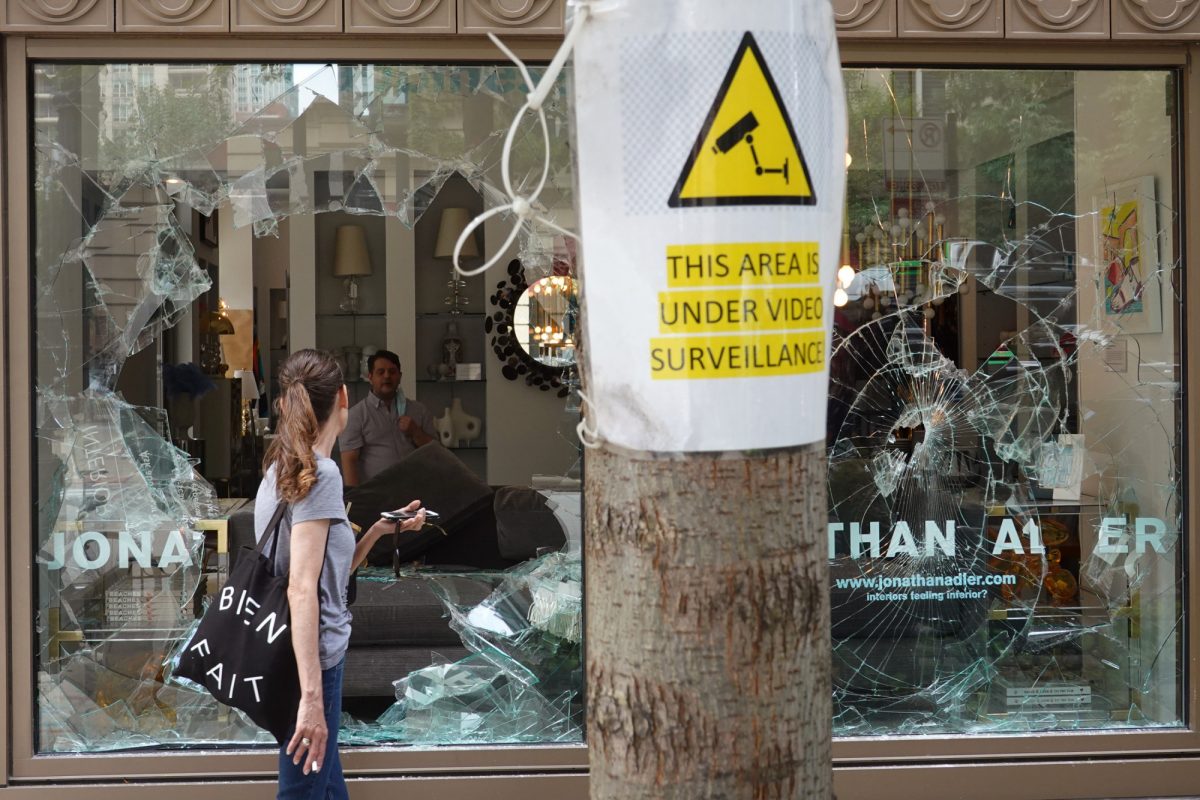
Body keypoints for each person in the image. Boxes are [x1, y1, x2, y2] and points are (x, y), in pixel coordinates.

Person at [255, 349, 425, 798]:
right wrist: (311, 698)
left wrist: (378, 532)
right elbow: (301, 587)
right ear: (344, 397)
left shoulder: (282, 468)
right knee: (303, 791)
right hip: (315, 656)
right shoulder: (321, 473)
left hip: (296, 648)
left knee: (327, 789)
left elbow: (324, 574)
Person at [339, 349, 437, 487]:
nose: (387, 376)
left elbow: (437, 453)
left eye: (392, 372)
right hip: (376, 497)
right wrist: (355, 501)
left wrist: (416, 433)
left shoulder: (418, 410)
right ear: (370, 377)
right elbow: (350, 462)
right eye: (381, 372)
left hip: (415, 492)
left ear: (400, 376)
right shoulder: (355, 416)